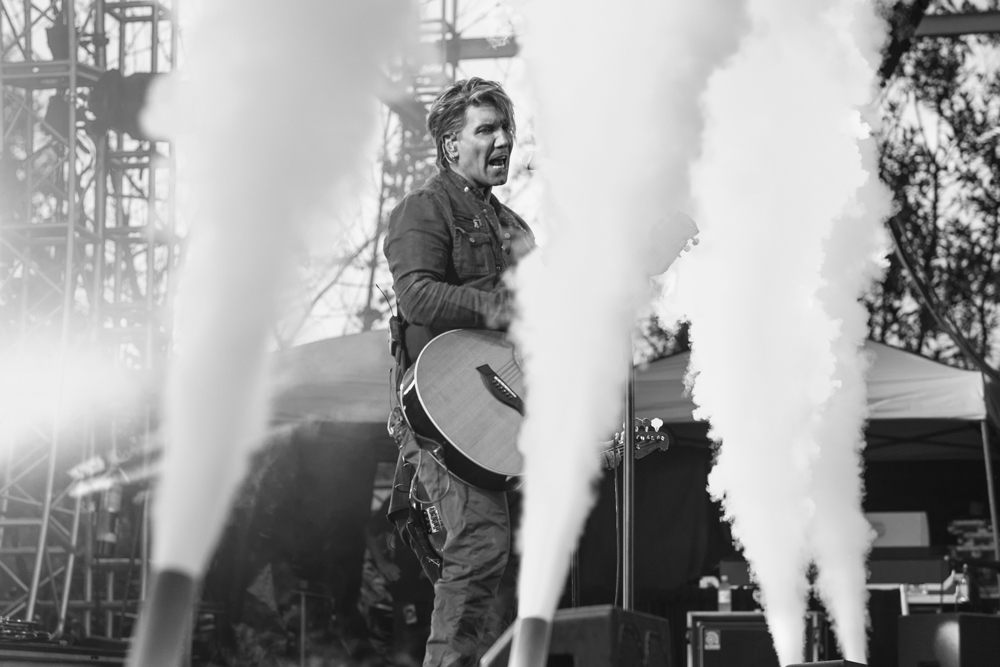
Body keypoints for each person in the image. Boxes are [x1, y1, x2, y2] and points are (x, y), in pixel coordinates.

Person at [382, 77, 534, 667]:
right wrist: (502, 308)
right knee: (479, 543)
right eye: (486, 129)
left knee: (493, 557)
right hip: (440, 406)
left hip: (497, 405)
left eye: (507, 128)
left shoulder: (518, 229)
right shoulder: (423, 209)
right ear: (450, 144)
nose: (503, 140)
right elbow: (417, 295)